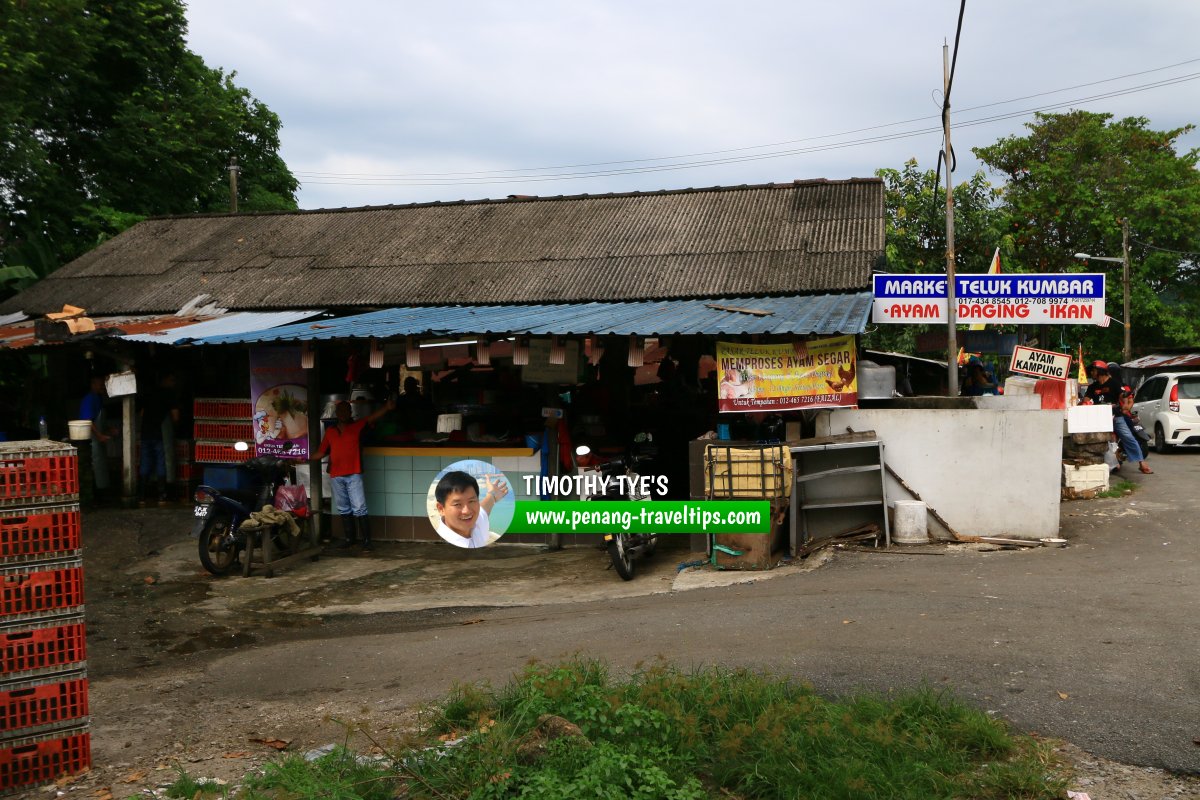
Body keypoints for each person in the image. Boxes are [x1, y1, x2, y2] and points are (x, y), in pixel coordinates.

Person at [311, 397, 395, 550]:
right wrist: (303, 458)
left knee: (360, 507)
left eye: (345, 410)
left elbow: (373, 417)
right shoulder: (330, 431)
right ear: (337, 413)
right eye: (340, 411)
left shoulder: (357, 426)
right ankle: (350, 539)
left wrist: (387, 408)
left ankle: (367, 541)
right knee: (344, 508)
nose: (343, 413)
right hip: (336, 475)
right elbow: (321, 452)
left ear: (350, 412)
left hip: (354, 473)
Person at [433, 470, 508, 549]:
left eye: (471, 501)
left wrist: (492, 494)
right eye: (457, 504)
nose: (467, 511)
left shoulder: (476, 523)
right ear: (441, 509)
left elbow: (485, 507)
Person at [79, 376, 111, 495]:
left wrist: (108, 430)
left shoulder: (99, 398)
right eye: (100, 384)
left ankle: (102, 492)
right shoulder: (89, 399)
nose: (102, 387)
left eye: (103, 384)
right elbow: (88, 421)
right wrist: (99, 436)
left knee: (101, 468)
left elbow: (100, 421)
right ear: (93, 385)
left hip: (98, 440)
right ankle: (94, 495)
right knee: (93, 469)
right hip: (90, 441)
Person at [1114, 389, 1153, 474]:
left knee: (1130, 438)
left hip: (1123, 416)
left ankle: (1141, 463)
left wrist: (1125, 408)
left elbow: (1130, 402)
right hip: (1113, 416)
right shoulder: (1099, 387)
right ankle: (1115, 462)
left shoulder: (1121, 388)